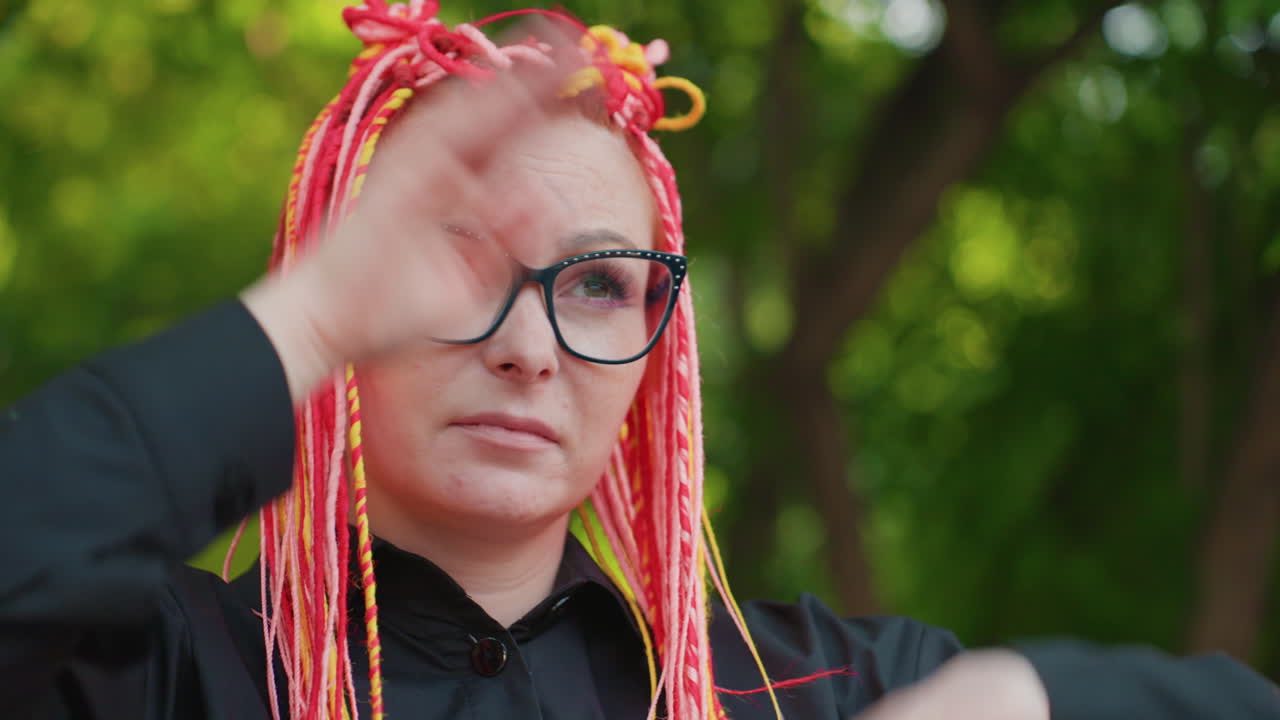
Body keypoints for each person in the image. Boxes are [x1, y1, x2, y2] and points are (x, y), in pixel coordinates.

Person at [1, 2, 1277, 719]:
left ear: (657, 357)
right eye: (454, 269)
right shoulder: (158, 671)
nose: (524, 347)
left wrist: (1018, 695)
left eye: (600, 286)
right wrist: (306, 318)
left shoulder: (798, 690)